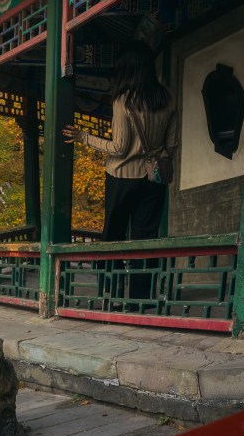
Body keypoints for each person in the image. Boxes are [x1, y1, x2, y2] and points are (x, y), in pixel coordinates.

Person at [63, 42, 177, 303]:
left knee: (112, 235)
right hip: (153, 179)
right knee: (145, 239)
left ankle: (110, 293)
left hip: (122, 177)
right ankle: (141, 299)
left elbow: (119, 147)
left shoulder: (123, 100)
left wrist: (84, 137)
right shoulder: (168, 97)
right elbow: (171, 145)